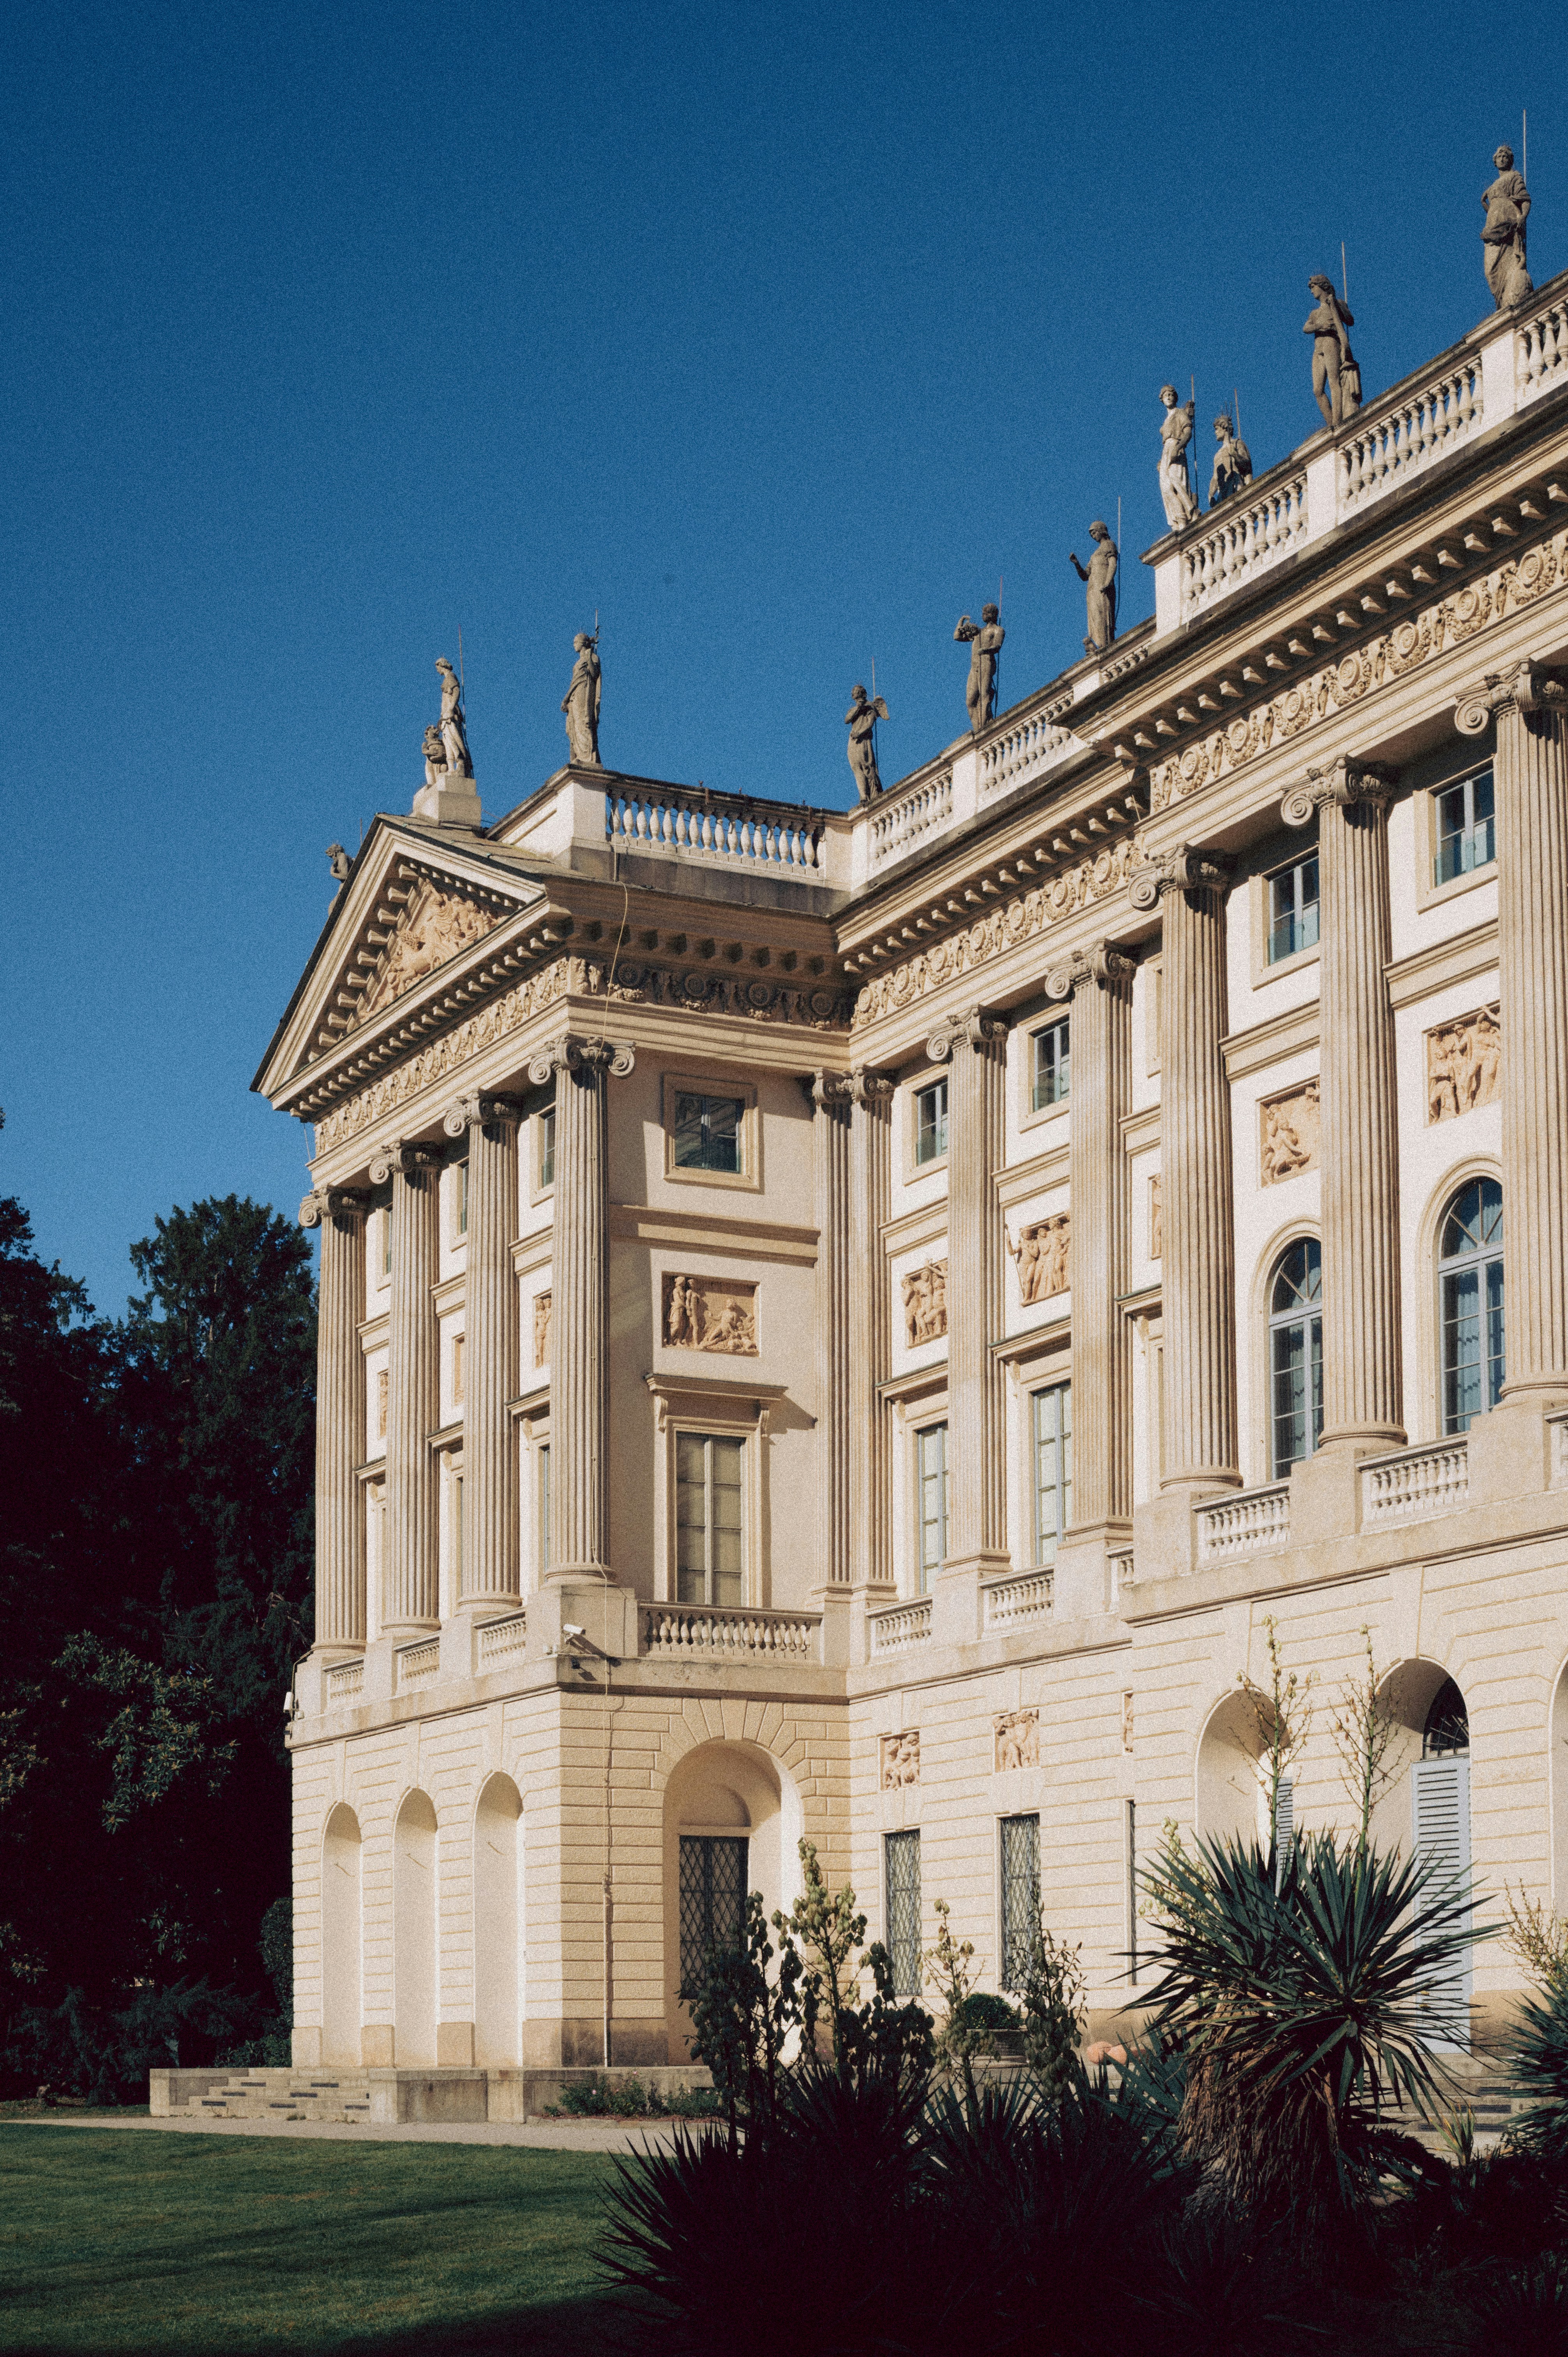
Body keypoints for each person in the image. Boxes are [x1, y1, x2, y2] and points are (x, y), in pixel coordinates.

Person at [1304, 276, 1360, 431]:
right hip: (1318, 348)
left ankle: (1337, 421)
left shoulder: (1337, 303)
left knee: (1334, 382)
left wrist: (1335, 305)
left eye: (1313, 287)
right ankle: (1331, 423)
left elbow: (1350, 320)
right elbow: (1306, 328)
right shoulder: (1315, 313)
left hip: (1331, 343)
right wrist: (1320, 325)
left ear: (1323, 287)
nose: (1312, 291)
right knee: (1317, 390)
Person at [1481, 145, 1533, 310]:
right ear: (1495, 162)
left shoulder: (1514, 176)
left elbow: (1525, 199)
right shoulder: (1493, 185)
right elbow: (1490, 205)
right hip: (1493, 226)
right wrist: (1487, 204)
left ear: (1510, 161)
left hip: (1509, 222)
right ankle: (1502, 299)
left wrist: (1523, 217)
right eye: (1499, 157)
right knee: (1490, 271)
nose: (1502, 159)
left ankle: (1509, 300)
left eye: (1506, 157)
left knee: (1512, 262)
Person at [953, 604, 1004, 734]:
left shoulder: (998, 630)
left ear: (993, 614)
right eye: (983, 612)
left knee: (984, 695)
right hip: (974, 666)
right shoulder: (978, 632)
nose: (983, 615)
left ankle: (984, 726)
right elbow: (957, 637)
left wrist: (985, 651)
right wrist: (962, 622)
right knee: (970, 701)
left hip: (986, 663)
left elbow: (997, 646)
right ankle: (978, 728)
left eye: (986, 612)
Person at [1069, 523, 1118, 657]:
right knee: (1095, 618)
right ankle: (1097, 646)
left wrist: (1108, 582)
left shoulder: (1109, 545)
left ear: (1102, 531)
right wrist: (1076, 564)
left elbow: (1113, 564)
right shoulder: (1095, 554)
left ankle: (1104, 645)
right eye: (1091, 534)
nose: (1093, 536)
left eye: (1094, 533)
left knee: (1102, 616)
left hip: (1103, 587)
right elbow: (1085, 576)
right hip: (1092, 589)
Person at [1157, 385, 1199, 531]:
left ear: (1175, 397)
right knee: (1166, 487)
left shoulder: (1181, 414)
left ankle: (1189, 512)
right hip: (1166, 452)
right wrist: (1162, 461)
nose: (1168, 397)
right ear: (1162, 400)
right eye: (1165, 395)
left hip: (1176, 447)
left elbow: (1188, 432)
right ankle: (1177, 519)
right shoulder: (1166, 422)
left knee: (1177, 482)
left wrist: (1179, 447)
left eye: (1171, 394)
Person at [562, 631, 602, 767]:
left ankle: (587, 757)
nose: (574, 645)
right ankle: (579, 755)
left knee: (584, 722)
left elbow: (595, 674)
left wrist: (590, 660)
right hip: (575, 694)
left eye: (576, 642)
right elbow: (574, 681)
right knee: (574, 725)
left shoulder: (593, 657)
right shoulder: (579, 661)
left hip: (585, 693)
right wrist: (567, 698)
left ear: (583, 643)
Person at [844, 682, 889, 800]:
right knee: (856, 767)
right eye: (854, 693)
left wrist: (860, 733)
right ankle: (863, 796)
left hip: (863, 740)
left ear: (863, 694)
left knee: (867, 767)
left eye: (857, 692)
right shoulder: (854, 709)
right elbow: (847, 720)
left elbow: (870, 723)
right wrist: (858, 708)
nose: (855, 694)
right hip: (853, 741)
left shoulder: (871, 707)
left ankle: (872, 793)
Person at [435, 657, 472, 777]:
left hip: (450, 715)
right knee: (447, 741)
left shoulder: (451, 677)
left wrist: (451, 708)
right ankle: (451, 769)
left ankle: (460, 763)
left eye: (438, 668)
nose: (438, 671)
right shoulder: (447, 679)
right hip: (445, 715)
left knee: (454, 739)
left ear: (442, 665)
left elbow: (456, 691)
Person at [1208, 412, 1253, 507]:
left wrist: (1235, 454)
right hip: (1222, 492)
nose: (1215, 432)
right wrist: (1211, 495)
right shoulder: (1217, 455)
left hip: (1236, 485)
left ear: (1224, 428)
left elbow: (1247, 465)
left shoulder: (1237, 444)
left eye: (1217, 429)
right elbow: (1215, 477)